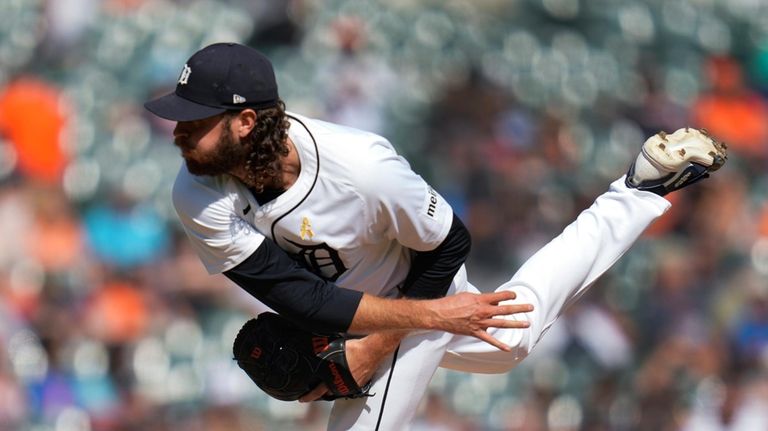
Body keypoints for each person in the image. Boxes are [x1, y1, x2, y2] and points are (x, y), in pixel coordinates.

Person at [144, 42, 727, 430]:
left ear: (246, 122)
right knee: (513, 340)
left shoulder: (361, 165)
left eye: (195, 121)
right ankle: (639, 189)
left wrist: (400, 330)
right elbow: (292, 293)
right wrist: (384, 331)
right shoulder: (196, 191)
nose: (178, 131)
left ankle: (637, 193)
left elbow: (449, 244)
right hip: (365, 313)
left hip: (416, 284)